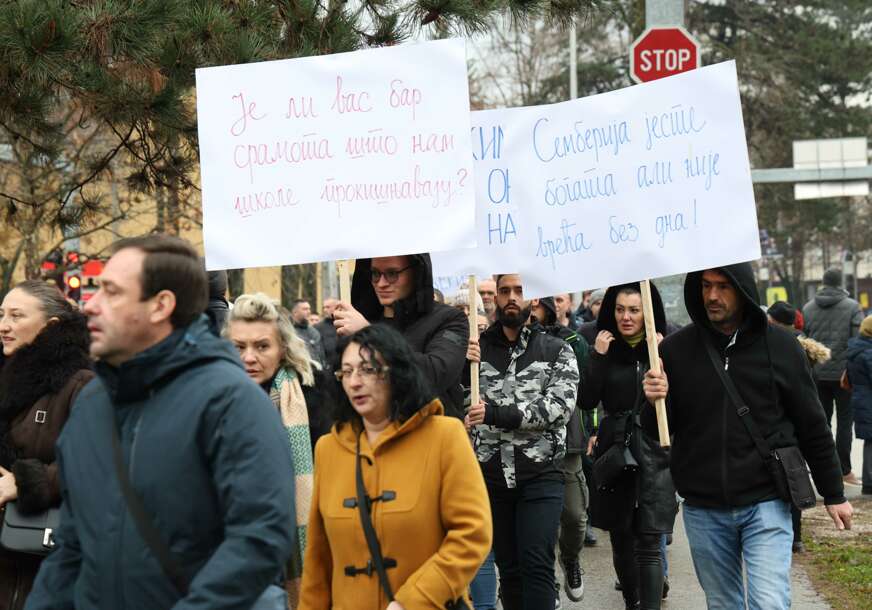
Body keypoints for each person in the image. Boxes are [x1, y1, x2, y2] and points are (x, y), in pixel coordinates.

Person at [26, 235, 296, 610]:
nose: (90, 305)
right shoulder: (90, 405)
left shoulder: (232, 403)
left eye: (112, 292)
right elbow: (72, 549)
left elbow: (258, 541)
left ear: (160, 305)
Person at [644, 265, 853, 610]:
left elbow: (812, 424)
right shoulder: (675, 351)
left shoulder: (783, 348)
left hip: (766, 501)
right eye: (706, 286)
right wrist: (652, 401)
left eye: (723, 286)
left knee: (768, 603)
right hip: (704, 506)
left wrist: (834, 493)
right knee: (723, 604)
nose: (712, 296)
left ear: (743, 291)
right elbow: (657, 432)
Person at [298, 324, 491, 609]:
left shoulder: (444, 436)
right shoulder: (328, 449)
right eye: (347, 372)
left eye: (367, 369)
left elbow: (472, 533)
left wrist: (414, 600)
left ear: (396, 373)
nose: (354, 382)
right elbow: (318, 559)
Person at [465, 274, 578, 610]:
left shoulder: (557, 350)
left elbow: (557, 409)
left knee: (537, 565)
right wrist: (460, 363)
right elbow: (458, 403)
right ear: (495, 298)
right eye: (504, 291)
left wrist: (498, 414)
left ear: (534, 298)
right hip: (492, 478)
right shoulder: (475, 351)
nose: (511, 297)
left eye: (519, 291)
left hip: (539, 476)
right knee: (509, 569)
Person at [224, 293, 325, 605]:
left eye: (262, 346)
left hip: (311, 543)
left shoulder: (314, 394)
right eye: (239, 347)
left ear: (283, 348)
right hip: (237, 552)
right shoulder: (211, 400)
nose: (249, 357)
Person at [0, 281, 94, 610]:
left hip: (46, 564)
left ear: (50, 326)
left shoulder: (80, 384)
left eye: (16, 315)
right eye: (1, 315)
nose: (4, 326)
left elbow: (96, 467)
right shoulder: (7, 379)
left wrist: (23, 481)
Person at [582, 283, 675, 610]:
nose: (626, 317)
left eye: (634, 310)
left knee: (650, 538)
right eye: (620, 309)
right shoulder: (603, 346)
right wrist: (597, 357)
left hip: (654, 448)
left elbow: (682, 400)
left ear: (647, 312)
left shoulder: (666, 345)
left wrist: (663, 359)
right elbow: (587, 399)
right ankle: (632, 602)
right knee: (621, 538)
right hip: (615, 450)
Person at [333, 254, 469, 419]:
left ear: (416, 273)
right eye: (375, 274)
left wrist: (370, 335)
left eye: (392, 274)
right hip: (375, 437)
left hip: (430, 435)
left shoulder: (449, 319)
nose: (381, 283)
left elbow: (435, 374)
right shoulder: (358, 320)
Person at [530, 297, 589, 603]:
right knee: (539, 521)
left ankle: (570, 558)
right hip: (526, 447)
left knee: (576, 515)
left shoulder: (569, 340)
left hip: (567, 444)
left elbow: (587, 388)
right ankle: (546, 580)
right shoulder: (501, 341)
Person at [767, 301, 832, 553]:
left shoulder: (777, 347)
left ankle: (792, 537)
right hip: (805, 423)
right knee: (796, 477)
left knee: (787, 478)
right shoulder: (806, 348)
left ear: (772, 320)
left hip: (785, 427)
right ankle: (797, 538)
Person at [803, 268, 865, 485]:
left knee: (822, 422)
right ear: (841, 283)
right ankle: (845, 470)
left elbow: (805, 340)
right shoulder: (853, 307)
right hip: (844, 375)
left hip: (817, 374)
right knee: (846, 422)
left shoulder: (808, 308)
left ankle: (824, 468)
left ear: (823, 282)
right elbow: (858, 341)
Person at [846, 315, 872, 495]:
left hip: (862, 401)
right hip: (868, 402)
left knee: (870, 442)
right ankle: (870, 482)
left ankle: (869, 482)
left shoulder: (857, 348)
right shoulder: (868, 352)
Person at [291, 299, 327, 369]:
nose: (309, 312)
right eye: (305, 309)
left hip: (316, 372)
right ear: (295, 312)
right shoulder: (288, 330)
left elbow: (321, 354)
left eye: (309, 309)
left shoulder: (314, 332)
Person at [314, 297, 339, 363]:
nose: (325, 310)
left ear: (337, 308)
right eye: (324, 307)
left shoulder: (345, 324)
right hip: (327, 368)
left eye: (328, 307)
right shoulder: (317, 327)